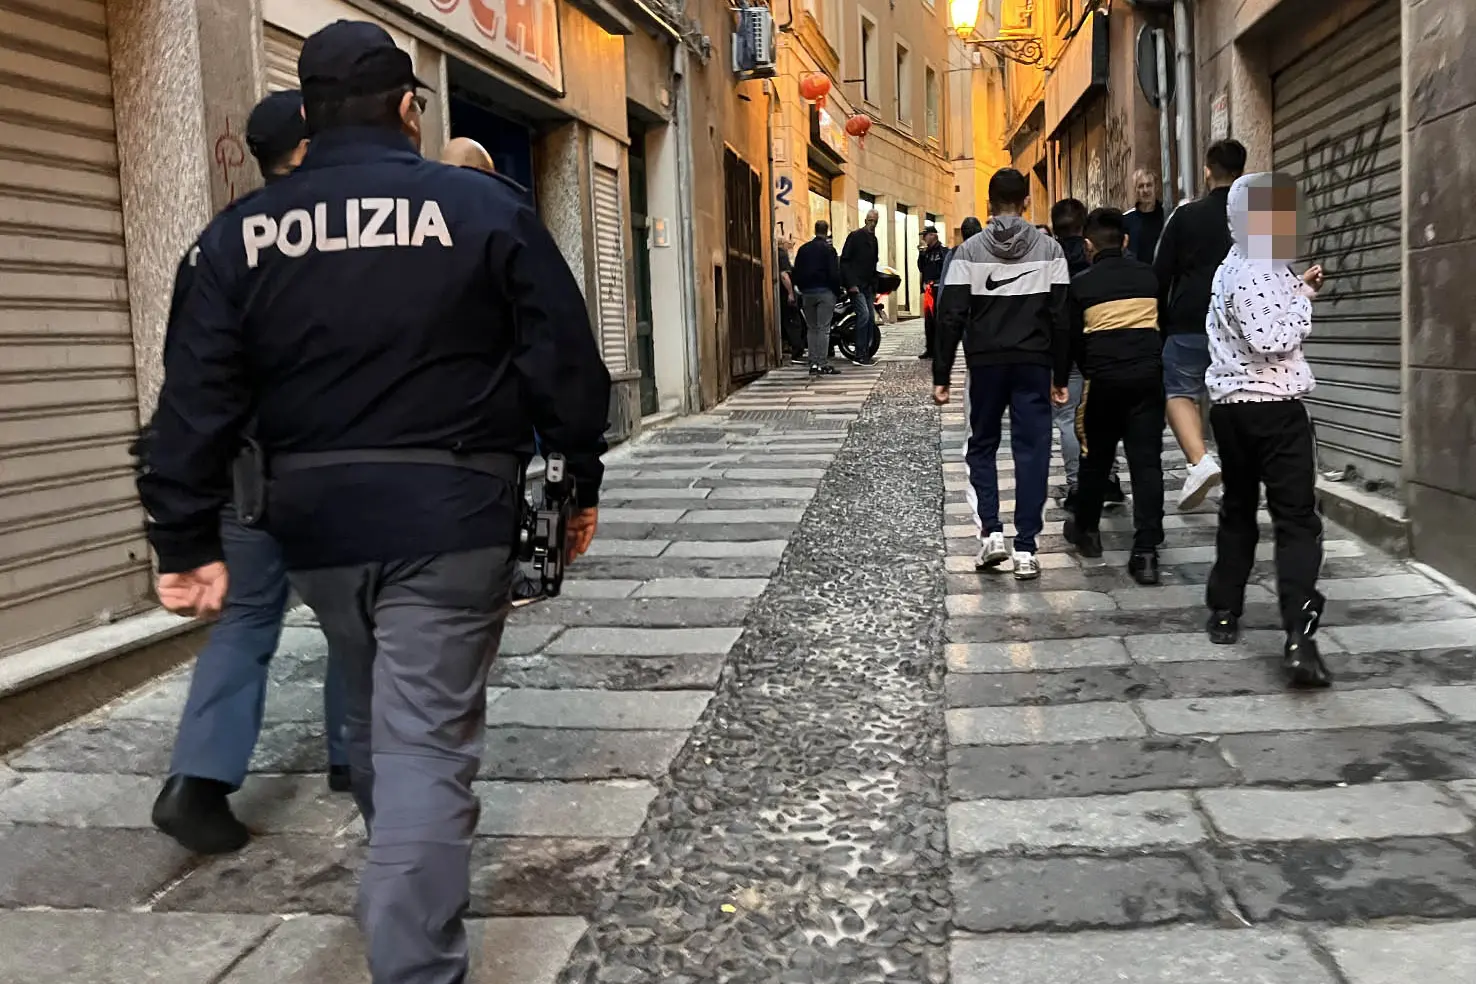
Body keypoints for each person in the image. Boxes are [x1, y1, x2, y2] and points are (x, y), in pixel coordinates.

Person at [136, 20, 612, 984]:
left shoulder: (236, 238)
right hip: (453, 515)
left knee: (376, 696)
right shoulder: (481, 209)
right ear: (408, 108)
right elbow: (564, 360)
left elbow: (193, 399)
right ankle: (414, 953)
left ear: (308, 114)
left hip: (314, 525)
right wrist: (577, 480)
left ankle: (395, 844)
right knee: (427, 739)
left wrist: (183, 534)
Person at [144, 89, 351, 858]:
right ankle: (353, 757)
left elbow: (188, 384)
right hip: (333, 469)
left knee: (245, 625)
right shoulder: (348, 230)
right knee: (357, 621)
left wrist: (181, 517)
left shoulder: (218, 242)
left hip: (246, 475)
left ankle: (195, 784)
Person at [1205, 172, 1330, 688]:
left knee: (1239, 508)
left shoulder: (1248, 263)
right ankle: (1299, 635)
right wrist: (1304, 305)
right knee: (1296, 519)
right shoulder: (1253, 268)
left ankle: (1224, 610)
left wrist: (1300, 286)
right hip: (1271, 410)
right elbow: (1269, 336)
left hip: (1235, 411)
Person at [933, 168, 1071, 581]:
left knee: (981, 446)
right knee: (1033, 451)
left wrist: (942, 373)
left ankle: (991, 534)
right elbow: (1062, 317)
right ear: (1026, 202)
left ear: (990, 204)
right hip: (1034, 363)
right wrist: (1061, 374)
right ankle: (1026, 548)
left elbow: (950, 315)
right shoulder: (1051, 251)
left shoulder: (969, 252)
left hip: (986, 363)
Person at [1061, 208, 1166, 585]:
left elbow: (1071, 341)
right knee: (1146, 463)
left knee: (1095, 458)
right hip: (1147, 381)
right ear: (1125, 242)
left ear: (1088, 246)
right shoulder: (1150, 277)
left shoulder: (1081, 285)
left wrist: (1068, 376)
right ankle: (1146, 552)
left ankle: (1087, 533)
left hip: (1103, 383)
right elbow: (1162, 327)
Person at [1155, 139, 1246, 510]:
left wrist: (1160, 325)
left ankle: (1200, 460)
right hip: (1243, 321)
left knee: (1178, 391)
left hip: (1191, 319)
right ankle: (1238, 480)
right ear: (1243, 171)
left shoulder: (1184, 216)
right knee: (1235, 399)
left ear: (1207, 170)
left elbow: (1161, 275)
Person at [1049, 197, 1123, 513]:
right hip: (1103, 346)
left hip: (1067, 350)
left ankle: (1078, 484)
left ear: (1055, 229)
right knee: (1106, 415)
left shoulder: (1051, 259)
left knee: (1067, 418)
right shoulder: (1097, 255)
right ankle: (1110, 479)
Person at [791, 219, 844, 377]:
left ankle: (813, 362)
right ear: (826, 231)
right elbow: (834, 273)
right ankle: (822, 362)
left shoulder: (804, 249)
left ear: (815, 230)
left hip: (808, 293)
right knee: (823, 328)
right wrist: (837, 291)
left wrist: (801, 288)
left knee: (812, 328)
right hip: (825, 292)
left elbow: (797, 270)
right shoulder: (829, 250)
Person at [840, 208, 881, 366]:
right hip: (856, 285)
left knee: (870, 318)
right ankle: (859, 354)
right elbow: (845, 260)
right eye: (870, 221)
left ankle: (865, 352)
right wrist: (851, 284)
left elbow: (873, 263)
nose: (872, 224)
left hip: (868, 285)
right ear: (865, 220)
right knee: (863, 315)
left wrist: (874, 285)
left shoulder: (874, 239)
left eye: (875, 221)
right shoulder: (856, 236)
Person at [1123, 168, 1166, 264]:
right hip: (1137, 276)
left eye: (1149, 185)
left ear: (1156, 188)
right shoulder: (1126, 220)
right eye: (1141, 186)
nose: (1145, 190)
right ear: (1135, 190)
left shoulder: (1167, 216)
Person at [917, 225, 947, 360]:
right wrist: (921, 254)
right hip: (928, 289)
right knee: (928, 320)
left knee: (938, 320)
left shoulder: (943, 252)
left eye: (926, 236)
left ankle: (940, 349)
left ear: (933, 235)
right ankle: (930, 349)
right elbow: (921, 268)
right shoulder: (926, 253)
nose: (924, 239)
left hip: (938, 289)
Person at [777, 234, 806, 365]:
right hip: (785, 293)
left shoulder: (776, 253)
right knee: (793, 321)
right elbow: (784, 275)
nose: (790, 245)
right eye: (788, 243)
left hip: (780, 294)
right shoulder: (781, 254)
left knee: (788, 321)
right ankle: (796, 350)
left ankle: (790, 348)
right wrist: (790, 293)